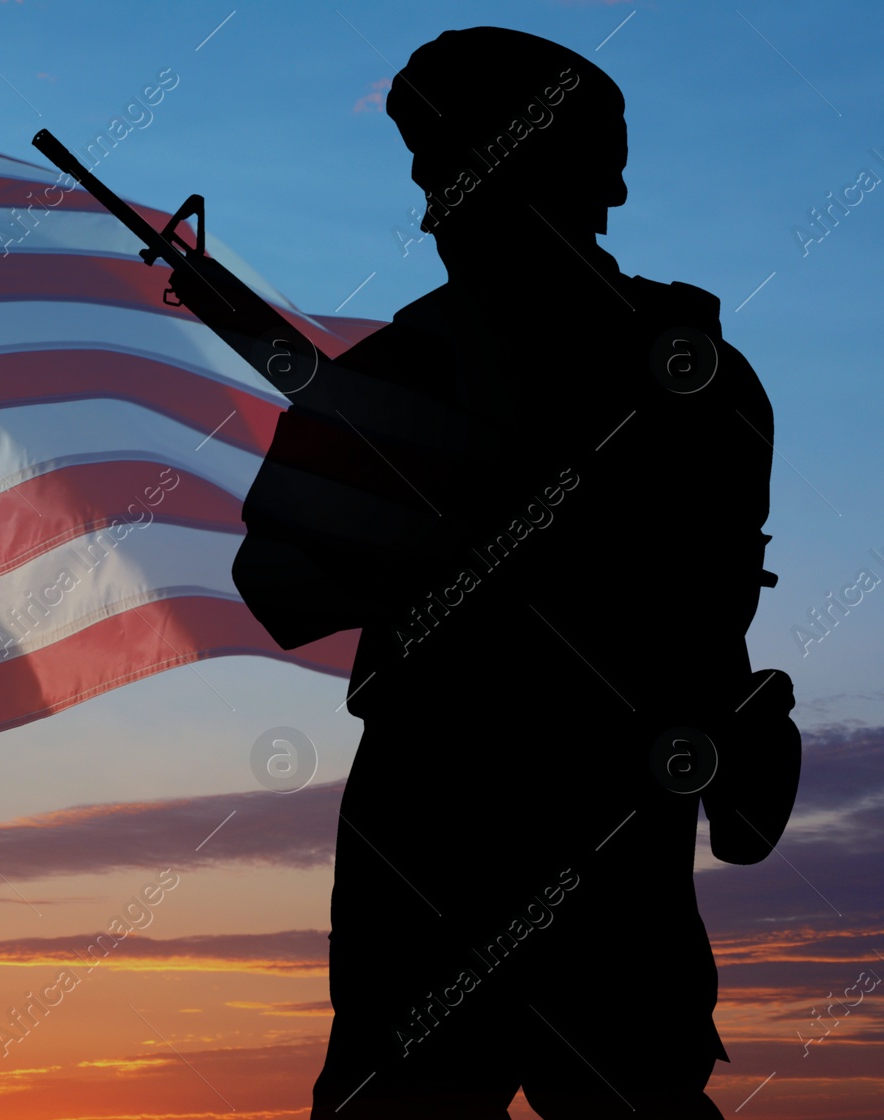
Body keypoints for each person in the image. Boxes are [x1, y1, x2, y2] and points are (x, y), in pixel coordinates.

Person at [225, 27, 802, 1119]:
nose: (429, 204)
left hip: (491, 838)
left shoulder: (426, 377)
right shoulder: (696, 374)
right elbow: (281, 586)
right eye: (426, 171)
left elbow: (285, 588)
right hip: (523, 838)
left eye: (445, 169)